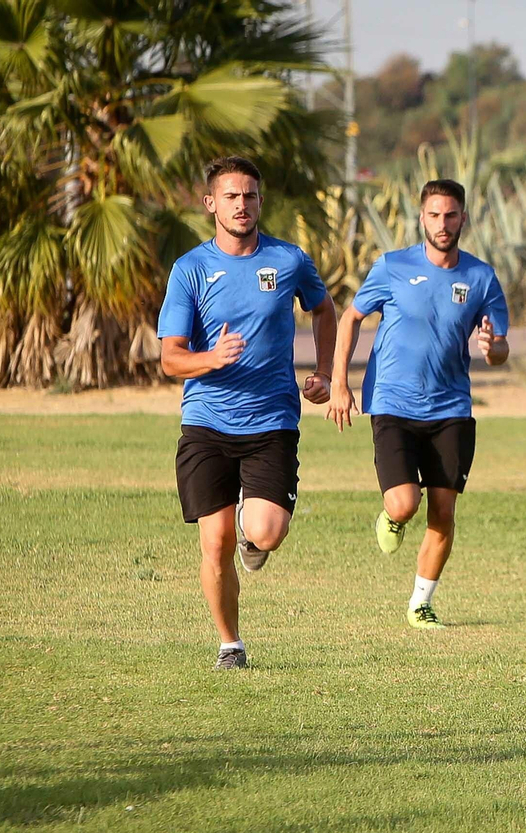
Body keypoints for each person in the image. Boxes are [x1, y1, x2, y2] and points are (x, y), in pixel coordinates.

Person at [158, 155, 336, 670]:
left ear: (261, 201)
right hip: (206, 424)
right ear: (211, 203)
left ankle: (249, 527)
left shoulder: (288, 261)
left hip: (272, 423)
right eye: (231, 196)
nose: (242, 205)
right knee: (212, 544)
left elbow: (322, 310)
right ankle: (229, 644)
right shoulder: (190, 269)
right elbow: (170, 357)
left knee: (268, 533)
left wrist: (324, 372)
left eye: (250, 196)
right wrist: (210, 358)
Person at [326, 179, 510, 629]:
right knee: (406, 503)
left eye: (451, 215)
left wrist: (492, 346)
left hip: (451, 410)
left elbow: (500, 348)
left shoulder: (481, 277)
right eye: (434, 215)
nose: (443, 224)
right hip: (392, 402)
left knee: (443, 512)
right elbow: (351, 318)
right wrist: (339, 382)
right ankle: (393, 516)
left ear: (464, 218)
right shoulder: (392, 267)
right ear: (421, 218)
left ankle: (420, 603)